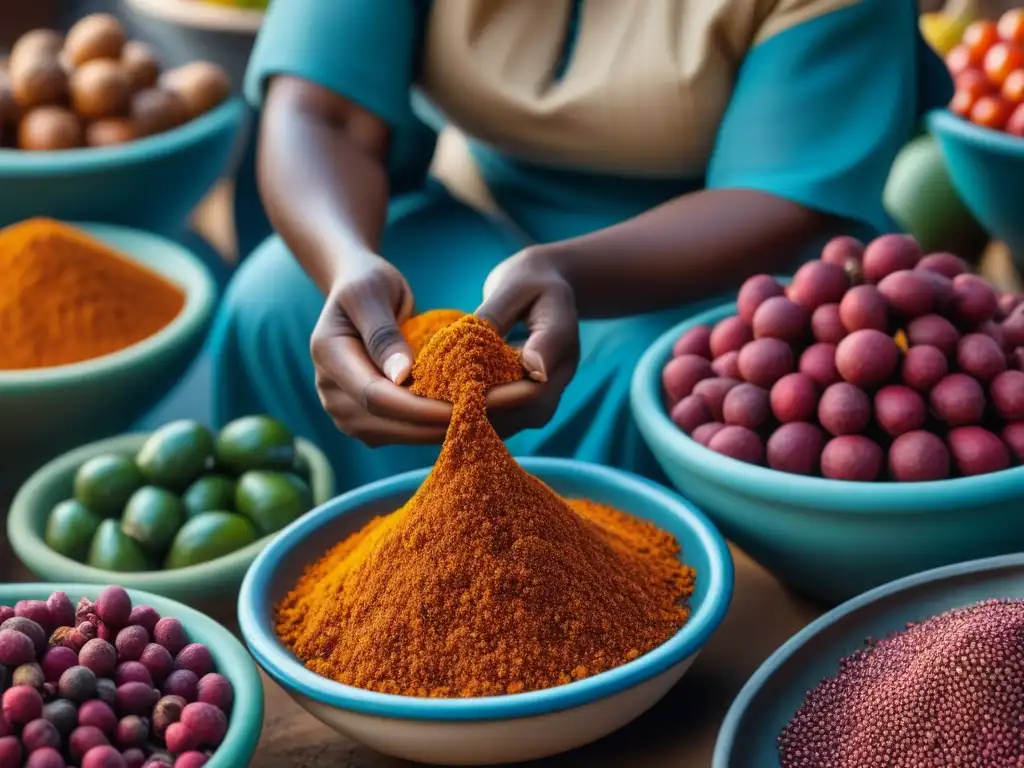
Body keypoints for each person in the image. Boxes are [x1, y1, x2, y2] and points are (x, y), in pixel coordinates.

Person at [209, 0, 951, 489]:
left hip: (718, 262)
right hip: (484, 207)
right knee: (278, 298)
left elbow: (782, 197)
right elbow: (323, 113)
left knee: (648, 386)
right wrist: (348, 262)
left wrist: (568, 273)